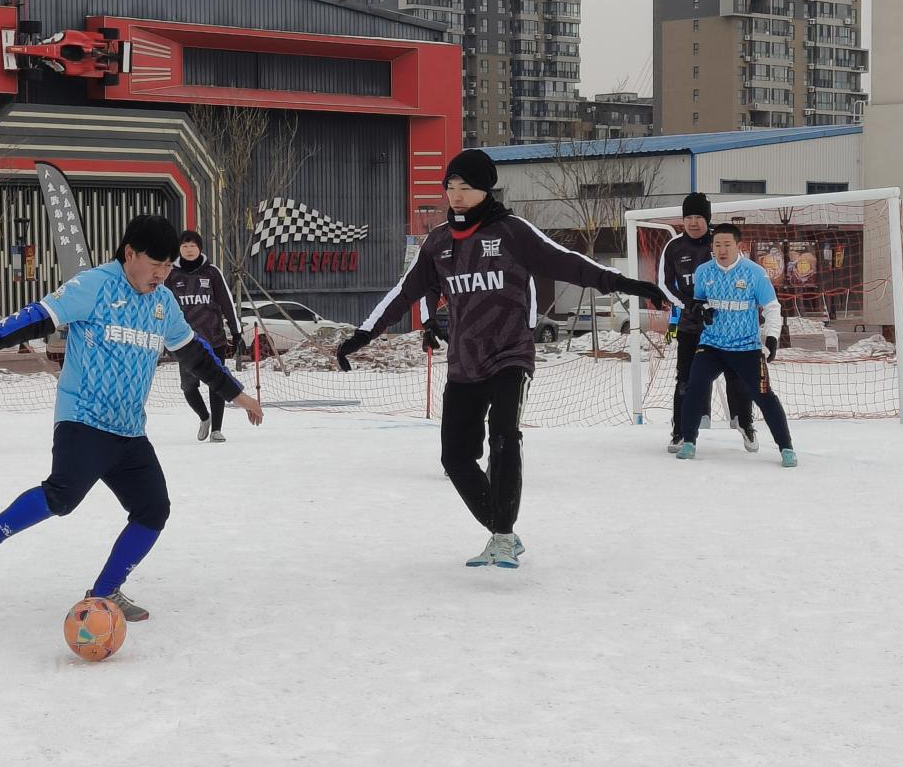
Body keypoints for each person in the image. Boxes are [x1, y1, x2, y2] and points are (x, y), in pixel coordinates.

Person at [336, 149, 669, 569]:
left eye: (466, 188)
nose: (456, 196)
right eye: (450, 187)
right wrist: (362, 335)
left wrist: (628, 284)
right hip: (464, 361)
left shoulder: (511, 232)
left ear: (485, 190)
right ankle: (500, 528)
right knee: (455, 457)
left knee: (504, 438)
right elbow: (404, 294)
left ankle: (504, 535)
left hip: (510, 354)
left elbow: (569, 264)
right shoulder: (437, 242)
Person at [0, 215, 264, 622]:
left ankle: (105, 592)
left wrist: (237, 394)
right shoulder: (93, 286)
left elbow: (196, 354)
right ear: (130, 254)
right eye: (155, 264)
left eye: (168, 267)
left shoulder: (163, 304)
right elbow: (35, 317)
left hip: (129, 430)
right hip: (83, 419)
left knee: (153, 510)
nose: (162, 274)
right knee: (62, 497)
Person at [676, 223, 796, 467]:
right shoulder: (704, 271)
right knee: (694, 386)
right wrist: (700, 309)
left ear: (738, 246)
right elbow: (698, 300)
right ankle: (688, 441)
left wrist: (772, 338)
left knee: (764, 395)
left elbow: (772, 307)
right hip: (712, 345)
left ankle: (786, 447)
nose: (722, 250)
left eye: (727, 245)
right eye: (717, 245)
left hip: (746, 347)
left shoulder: (754, 273)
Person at [659, 193, 757, 453]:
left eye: (699, 217)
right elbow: (664, 285)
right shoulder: (674, 247)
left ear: (707, 218)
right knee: (685, 380)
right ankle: (680, 432)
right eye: (689, 217)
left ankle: (744, 422)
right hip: (691, 327)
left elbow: (743, 275)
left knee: (738, 376)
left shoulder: (721, 242)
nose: (693, 222)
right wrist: (689, 305)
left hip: (726, 327)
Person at [165, 230, 242, 442]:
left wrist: (236, 332)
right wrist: (162, 336)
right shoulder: (171, 274)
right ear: (179, 249)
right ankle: (204, 417)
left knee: (217, 384)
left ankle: (216, 429)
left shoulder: (212, 272)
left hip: (214, 339)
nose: (189, 250)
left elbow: (227, 303)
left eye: (193, 246)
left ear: (199, 248)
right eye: (184, 246)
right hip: (185, 341)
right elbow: (163, 306)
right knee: (189, 387)